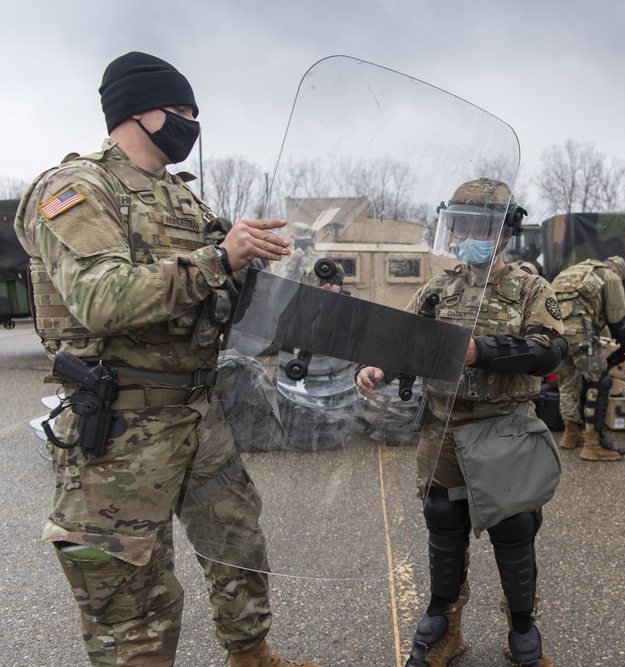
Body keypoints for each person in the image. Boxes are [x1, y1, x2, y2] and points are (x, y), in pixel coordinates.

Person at [14, 52, 323, 667]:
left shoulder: (183, 203)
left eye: (194, 111)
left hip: (195, 413)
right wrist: (220, 260)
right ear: (136, 109)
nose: (190, 122)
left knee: (238, 545)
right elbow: (102, 299)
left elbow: (217, 301)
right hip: (122, 427)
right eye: (179, 110)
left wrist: (262, 276)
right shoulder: (76, 189)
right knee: (133, 598)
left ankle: (252, 654)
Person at [356, 179, 566, 667]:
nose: (468, 235)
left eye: (480, 226)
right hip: (444, 428)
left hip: (504, 428)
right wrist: (378, 367)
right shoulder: (438, 289)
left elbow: (551, 349)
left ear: (505, 232)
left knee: (514, 526)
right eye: (462, 225)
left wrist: (483, 350)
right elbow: (404, 341)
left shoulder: (530, 288)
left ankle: (521, 625)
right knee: (444, 521)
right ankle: (446, 625)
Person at [551, 256, 625, 461]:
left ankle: (570, 434)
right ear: (617, 271)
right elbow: (617, 322)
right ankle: (593, 443)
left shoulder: (570, 271)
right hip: (582, 337)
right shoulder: (610, 277)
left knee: (567, 383)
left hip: (556, 336)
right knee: (599, 382)